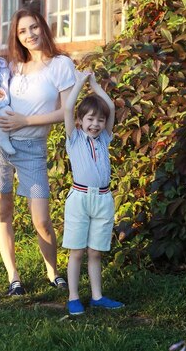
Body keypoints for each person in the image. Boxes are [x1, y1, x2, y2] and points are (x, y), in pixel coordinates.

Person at [0, 7, 74, 296]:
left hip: (32, 148)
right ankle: (14, 277)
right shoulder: (12, 66)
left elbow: (66, 111)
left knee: (41, 219)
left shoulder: (60, 65)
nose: (29, 34)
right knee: (3, 210)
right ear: (16, 36)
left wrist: (26, 120)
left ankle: (53, 272)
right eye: (22, 31)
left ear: (43, 27)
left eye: (33, 27)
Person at [62, 70, 124, 316]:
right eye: (90, 119)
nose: (95, 124)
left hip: (102, 199)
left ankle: (97, 296)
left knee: (95, 251)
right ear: (80, 120)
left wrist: (95, 84)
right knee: (77, 251)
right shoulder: (75, 138)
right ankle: (74, 296)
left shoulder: (104, 139)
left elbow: (110, 107)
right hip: (79, 199)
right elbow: (68, 108)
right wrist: (79, 83)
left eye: (100, 120)